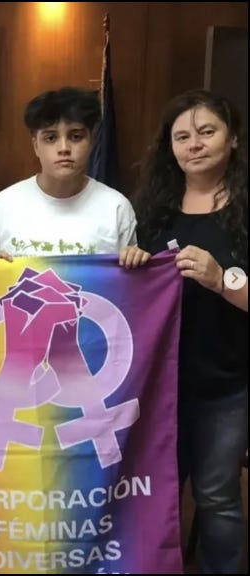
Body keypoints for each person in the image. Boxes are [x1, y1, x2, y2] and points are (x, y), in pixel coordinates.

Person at [132, 89, 247, 574]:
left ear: (233, 138)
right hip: (158, 384)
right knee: (156, 492)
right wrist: (132, 261)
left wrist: (222, 280)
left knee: (217, 496)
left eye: (206, 132)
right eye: (182, 136)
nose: (194, 144)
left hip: (227, 382)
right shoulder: (152, 206)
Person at [0, 86, 147, 267]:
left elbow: (129, 281)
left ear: (91, 142)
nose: (64, 148)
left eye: (76, 137)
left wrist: (136, 262)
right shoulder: (2, 206)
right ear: (36, 145)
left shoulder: (116, 207)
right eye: (51, 138)